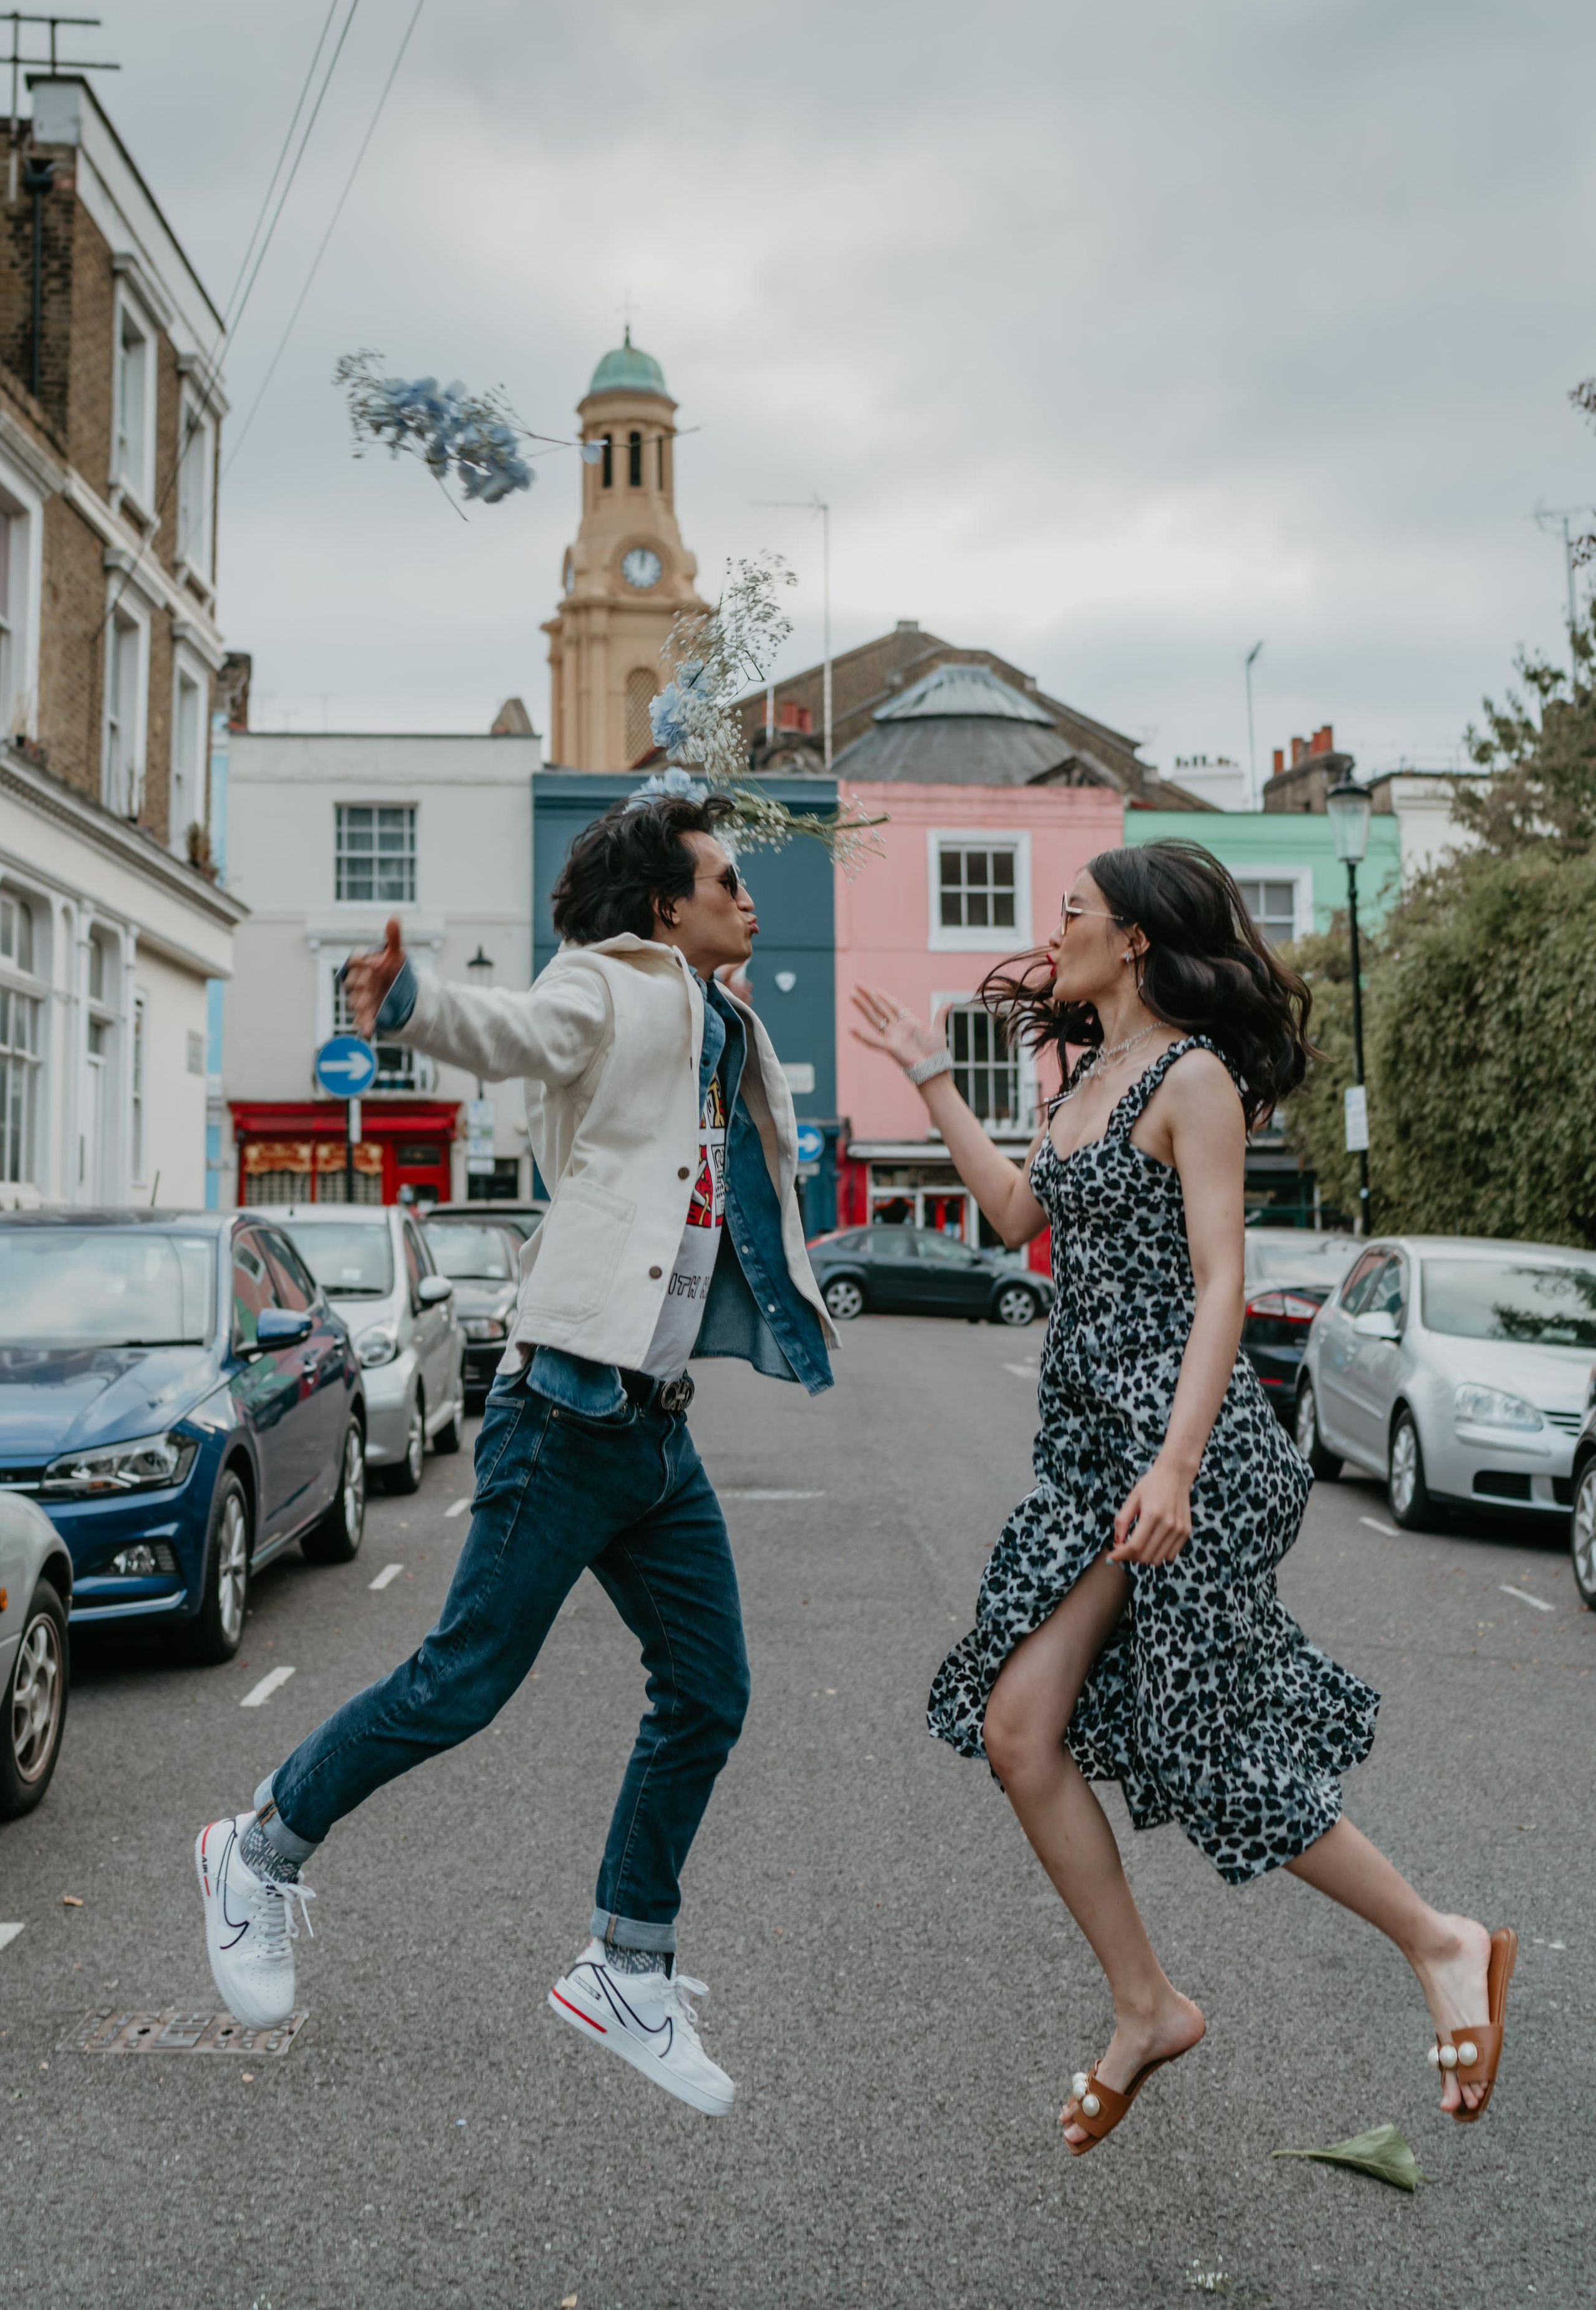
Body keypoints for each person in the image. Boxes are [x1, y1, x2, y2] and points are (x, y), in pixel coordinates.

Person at [852, 840, 1514, 2152]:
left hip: (1184, 1453)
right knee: (1017, 1729)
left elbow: (1222, 1283)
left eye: (1075, 913)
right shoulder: (1086, 1077)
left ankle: (1439, 1940)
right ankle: (1144, 2001)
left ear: (1135, 937)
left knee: (1201, 1743)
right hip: (1086, 1450)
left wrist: (1171, 1461)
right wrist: (928, 1073)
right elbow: (1000, 1215)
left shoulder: (1190, 1075)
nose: (1056, 933)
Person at [195, 791, 835, 2117]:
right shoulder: (609, 983)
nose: (745, 896)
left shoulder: (724, 1019)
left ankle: (626, 1963)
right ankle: (257, 1848)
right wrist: (411, 1002)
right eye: (722, 877)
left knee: (708, 1688)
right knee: (463, 1678)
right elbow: (520, 1031)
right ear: (665, 905)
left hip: (651, 1428)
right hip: (564, 1407)